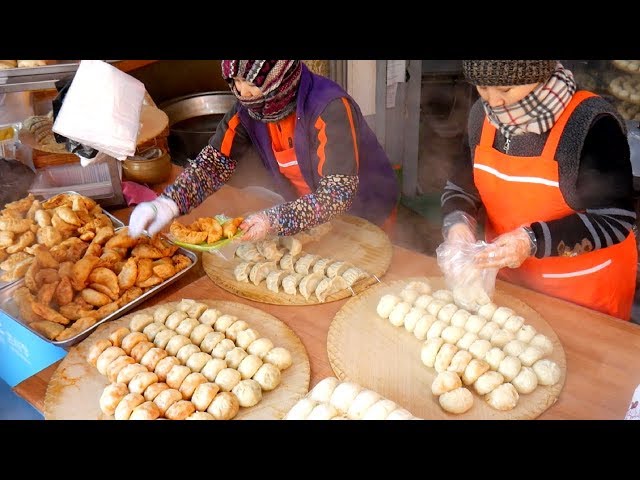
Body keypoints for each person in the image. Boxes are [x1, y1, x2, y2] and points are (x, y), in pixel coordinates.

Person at [439, 60, 637, 320]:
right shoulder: (482, 116)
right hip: (510, 284)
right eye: (483, 87)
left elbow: (615, 218)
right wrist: (457, 224)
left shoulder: (591, 123)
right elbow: (461, 186)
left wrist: (530, 240)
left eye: (506, 90)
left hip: (583, 295)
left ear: (538, 74)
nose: (494, 103)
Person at [128, 60, 399, 242]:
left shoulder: (329, 106)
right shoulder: (248, 110)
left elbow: (336, 194)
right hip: (306, 217)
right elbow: (214, 163)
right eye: (235, 81)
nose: (242, 92)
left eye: (252, 83)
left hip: (364, 216)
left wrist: (277, 219)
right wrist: (169, 202)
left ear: (278, 77)